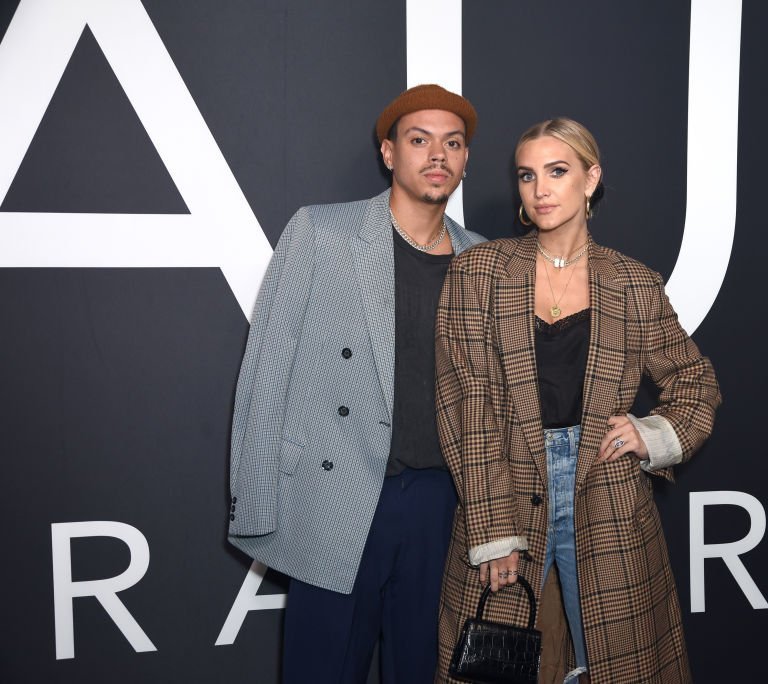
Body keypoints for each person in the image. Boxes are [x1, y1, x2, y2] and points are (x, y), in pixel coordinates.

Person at [434, 118, 721, 683]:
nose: (540, 189)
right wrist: (494, 529)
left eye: (557, 172)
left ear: (590, 179)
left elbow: (695, 380)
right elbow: (464, 404)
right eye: (527, 175)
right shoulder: (479, 272)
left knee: (617, 663)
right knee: (496, 665)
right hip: (506, 485)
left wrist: (654, 434)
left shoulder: (633, 283)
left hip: (608, 490)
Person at [227, 84, 485, 683]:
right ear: (390, 153)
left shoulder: (482, 258)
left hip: (442, 503)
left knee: (422, 671)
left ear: (466, 160)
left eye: (452, 143)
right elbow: (266, 372)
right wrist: (258, 504)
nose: (437, 155)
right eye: (419, 140)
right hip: (338, 496)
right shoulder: (323, 233)